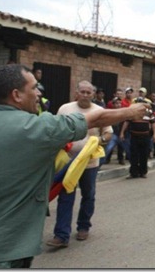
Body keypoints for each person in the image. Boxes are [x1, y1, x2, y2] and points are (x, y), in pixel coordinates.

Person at [0, 64, 148, 268]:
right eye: (33, 88)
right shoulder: (40, 127)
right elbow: (96, 119)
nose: (39, 94)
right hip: (8, 252)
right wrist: (130, 112)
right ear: (16, 95)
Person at [47, 81, 114, 248]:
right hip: (68, 161)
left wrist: (98, 141)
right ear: (76, 93)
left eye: (88, 92)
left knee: (88, 194)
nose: (85, 95)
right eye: (82, 92)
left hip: (89, 163)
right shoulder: (65, 109)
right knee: (65, 197)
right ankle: (61, 235)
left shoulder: (99, 112)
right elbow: (56, 129)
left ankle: (83, 226)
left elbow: (108, 133)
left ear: (93, 94)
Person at [120, 97, 155, 179]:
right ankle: (133, 173)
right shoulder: (132, 112)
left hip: (145, 137)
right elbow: (126, 122)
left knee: (144, 155)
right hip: (134, 137)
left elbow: (153, 123)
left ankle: (143, 172)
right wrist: (122, 132)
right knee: (134, 155)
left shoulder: (148, 112)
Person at [101, 97, 127, 166]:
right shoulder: (110, 113)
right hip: (113, 133)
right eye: (116, 103)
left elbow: (125, 123)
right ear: (113, 105)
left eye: (119, 103)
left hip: (121, 132)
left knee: (121, 147)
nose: (118, 105)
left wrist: (123, 132)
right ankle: (106, 159)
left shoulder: (123, 113)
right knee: (109, 147)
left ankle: (121, 159)